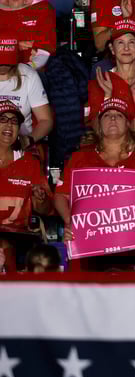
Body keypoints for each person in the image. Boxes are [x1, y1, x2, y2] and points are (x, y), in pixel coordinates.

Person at [54, 96, 135, 271]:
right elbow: (60, 195)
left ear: (128, 123)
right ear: (98, 124)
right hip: (91, 246)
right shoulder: (80, 158)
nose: (112, 118)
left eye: (119, 115)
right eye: (107, 115)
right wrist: (69, 221)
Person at [87, 19, 135, 150]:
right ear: (112, 49)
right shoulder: (102, 80)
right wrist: (107, 96)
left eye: (131, 42)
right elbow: (97, 129)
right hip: (111, 148)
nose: (126, 48)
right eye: (120, 43)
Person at [0, 100, 51, 262]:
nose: (9, 125)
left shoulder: (30, 162)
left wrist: (40, 199)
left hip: (17, 240)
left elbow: (46, 210)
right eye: (3, 119)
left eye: (14, 121)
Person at [0, 39, 52, 144]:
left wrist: (28, 140)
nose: (3, 66)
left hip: (20, 141)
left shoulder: (28, 75)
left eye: (7, 62)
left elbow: (46, 120)